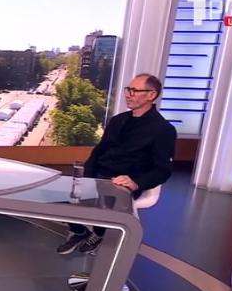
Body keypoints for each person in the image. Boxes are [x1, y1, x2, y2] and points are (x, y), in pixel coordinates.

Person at [57, 73, 177, 255]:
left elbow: (163, 170)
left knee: (108, 202)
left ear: (151, 95)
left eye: (134, 91)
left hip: (123, 182)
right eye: (128, 90)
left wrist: (136, 183)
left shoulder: (163, 130)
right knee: (59, 194)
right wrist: (85, 178)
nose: (128, 94)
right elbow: (98, 153)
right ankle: (79, 231)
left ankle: (99, 233)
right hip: (98, 175)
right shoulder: (118, 121)